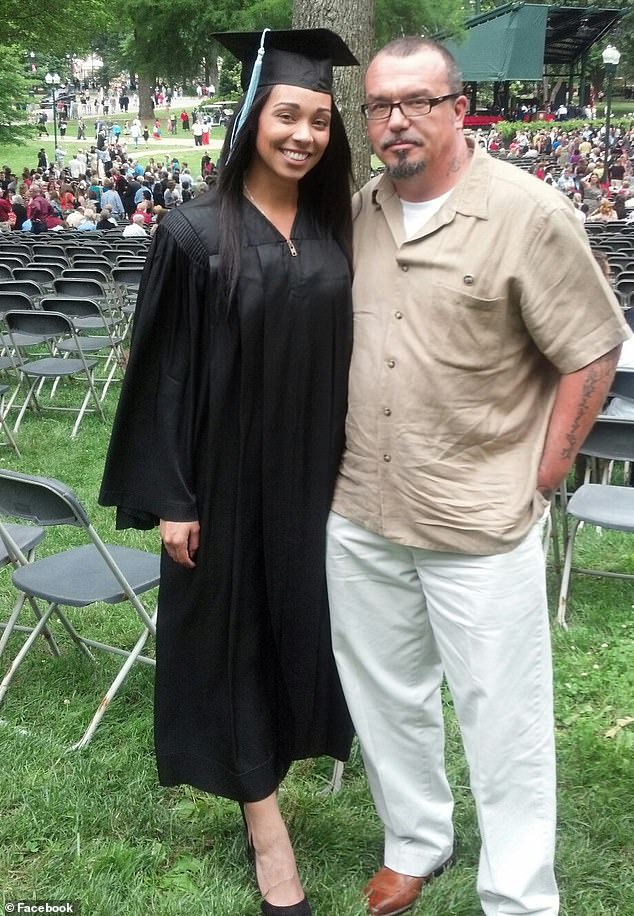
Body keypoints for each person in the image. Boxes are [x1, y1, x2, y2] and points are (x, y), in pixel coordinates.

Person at [325, 37, 632, 916]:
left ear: (459, 107)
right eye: (381, 106)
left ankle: (518, 893)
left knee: (505, 722)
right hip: (363, 507)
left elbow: (593, 346)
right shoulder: (360, 213)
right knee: (385, 697)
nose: (397, 121)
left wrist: (548, 468)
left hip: (480, 516)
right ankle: (415, 839)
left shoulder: (529, 213)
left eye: (418, 101)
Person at [99, 28, 358, 916]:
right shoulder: (192, 232)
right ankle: (266, 828)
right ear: (254, 115)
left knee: (297, 629)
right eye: (288, 113)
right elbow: (162, 367)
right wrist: (172, 495)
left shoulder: (331, 229)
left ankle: (286, 766)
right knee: (232, 640)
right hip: (220, 481)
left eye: (320, 120)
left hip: (312, 483)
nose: (304, 134)